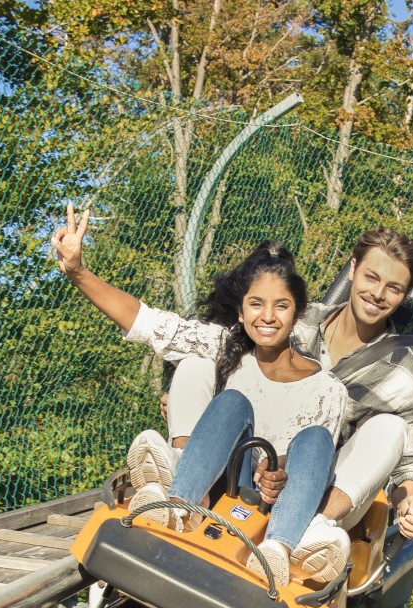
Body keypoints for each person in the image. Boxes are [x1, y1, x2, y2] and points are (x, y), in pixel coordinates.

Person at [52, 205, 348, 588]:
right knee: (232, 402)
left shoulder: (328, 388)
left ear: (297, 314)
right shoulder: (226, 348)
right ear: (240, 313)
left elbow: (314, 460)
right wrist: (78, 272)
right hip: (229, 484)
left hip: (277, 502)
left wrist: (278, 471)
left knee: (317, 439)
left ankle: (276, 551)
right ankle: (179, 505)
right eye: (256, 304)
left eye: (281, 306)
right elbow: (147, 321)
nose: (268, 316)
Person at [157, 228, 413, 586]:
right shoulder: (296, 318)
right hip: (250, 458)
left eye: (394, 288)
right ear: (353, 269)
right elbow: (232, 360)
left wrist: (410, 503)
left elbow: (406, 466)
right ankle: (180, 473)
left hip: (319, 485)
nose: (378, 294)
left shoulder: (405, 378)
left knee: (390, 428)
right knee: (195, 364)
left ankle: (308, 533)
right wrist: (187, 399)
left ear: (404, 294)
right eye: (371, 277)